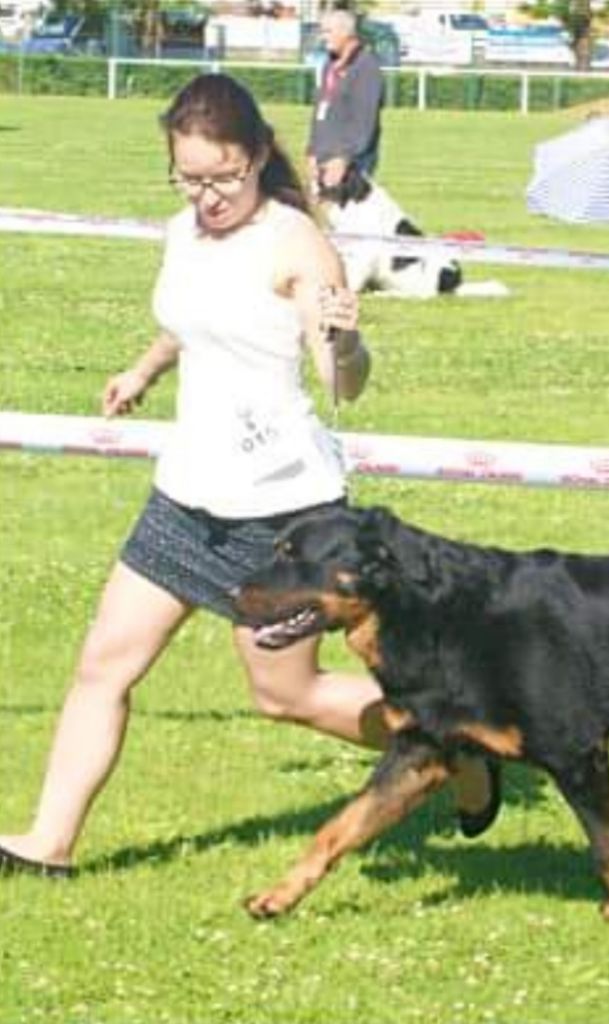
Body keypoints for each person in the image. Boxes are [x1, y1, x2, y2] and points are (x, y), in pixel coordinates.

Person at [0, 73, 497, 878]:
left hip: (278, 512)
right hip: (184, 497)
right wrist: (142, 370)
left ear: (260, 155)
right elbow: (188, 321)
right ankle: (46, 845)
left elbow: (342, 382)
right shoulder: (182, 231)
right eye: (189, 178)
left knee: (285, 697)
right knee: (103, 666)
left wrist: (345, 341)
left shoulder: (296, 241)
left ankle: (460, 745)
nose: (207, 196)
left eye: (222, 177)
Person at [306, 6, 384, 202]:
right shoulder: (330, 65)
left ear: (346, 33)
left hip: (349, 166)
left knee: (345, 226)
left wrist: (344, 158)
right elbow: (320, 112)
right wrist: (313, 151)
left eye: (328, 31)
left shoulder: (366, 67)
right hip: (324, 158)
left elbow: (364, 123)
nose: (323, 37)